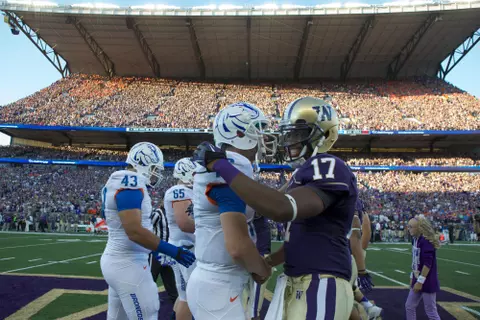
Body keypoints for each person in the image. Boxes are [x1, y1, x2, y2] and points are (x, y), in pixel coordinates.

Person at [194, 97, 356, 319]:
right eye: (289, 133)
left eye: (299, 133)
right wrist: (268, 261)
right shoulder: (301, 176)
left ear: (325, 134)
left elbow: (281, 208)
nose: (290, 140)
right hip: (298, 280)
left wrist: (221, 165)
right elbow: (298, 238)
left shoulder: (328, 165)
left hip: (321, 278)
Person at [186, 102, 273, 320]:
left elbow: (258, 203)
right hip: (219, 285)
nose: (262, 137)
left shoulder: (229, 164)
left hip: (217, 282)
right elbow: (237, 246)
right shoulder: (233, 164)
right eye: (257, 129)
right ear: (239, 133)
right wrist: (261, 269)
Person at [100, 142, 195, 320]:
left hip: (118, 260)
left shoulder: (116, 181)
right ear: (142, 163)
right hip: (128, 264)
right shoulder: (131, 183)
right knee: (147, 312)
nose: (155, 173)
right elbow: (134, 231)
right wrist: (173, 251)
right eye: (153, 168)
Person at [164, 157, 198, 320]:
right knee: (189, 296)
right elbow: (184, 223)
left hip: (184, 247)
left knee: (184, 294)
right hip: (184, 249)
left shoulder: (185, 191)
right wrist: (210, 227)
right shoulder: (180, 191)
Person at [405, 215, 441, 320]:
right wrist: (413, 275)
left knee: (431, 311)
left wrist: (420, 281)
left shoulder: (426, 241)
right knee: (409, 306)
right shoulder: (415, 239)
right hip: (418, 277)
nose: (408, 229)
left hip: (427, 280)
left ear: (419, 228)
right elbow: (415, 261)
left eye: (411, 227)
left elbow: (427, 264)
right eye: (408, 226)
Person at [148, 206, 179, 315]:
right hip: (158, 251)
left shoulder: (173, 213)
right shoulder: (159, 213)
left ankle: (177, 311)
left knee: (170, 282)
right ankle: (147, 303)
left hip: (169, 252)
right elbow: (147, 226)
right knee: (151, 279)